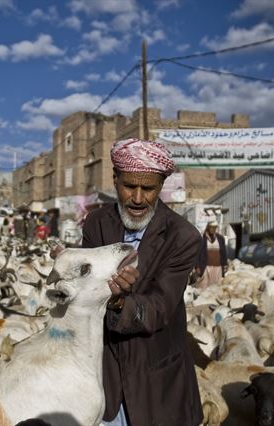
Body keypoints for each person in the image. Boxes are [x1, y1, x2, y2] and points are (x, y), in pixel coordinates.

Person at [81, 138, 203, 426]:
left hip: (155, 382)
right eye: (128, 186)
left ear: (161, 187)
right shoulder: (97, 223)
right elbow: (84, 285)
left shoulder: (182, 237)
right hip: (104, 374)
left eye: (148, 189)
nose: (137, 198)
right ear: (115, 180)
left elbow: (159, 306)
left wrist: (120, 300)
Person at [195, 220, 228, 289]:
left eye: (215, 228)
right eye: (211, 227)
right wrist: (197, 266)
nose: (213, 229)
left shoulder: (220, 238)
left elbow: (223, 253)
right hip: (205, 267)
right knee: (204, 287)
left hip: (218, 267)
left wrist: (225, 264)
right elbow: (197, 253)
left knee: (217, 287)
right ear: (208, 227)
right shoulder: (202, 239)